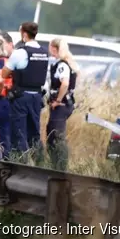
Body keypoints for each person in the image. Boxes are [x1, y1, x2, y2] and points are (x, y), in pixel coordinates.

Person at [1, 22, 49, 161]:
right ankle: (39, 164)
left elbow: (4, 73)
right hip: (37, 97)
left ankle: (20, 164)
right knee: (34, 133)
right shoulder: (44, 52)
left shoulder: (21, 52)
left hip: (21, 96)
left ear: (24, 34)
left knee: (19, 132)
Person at [46, 37, 79, 170]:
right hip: (66, 104)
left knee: (56, 136)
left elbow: (65, 83)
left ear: (54, 48)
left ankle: (61, 166)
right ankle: (57, 164)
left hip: (61, 105)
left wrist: (58, 100)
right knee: (52, 133)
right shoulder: (69, 63)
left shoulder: (62, 65)